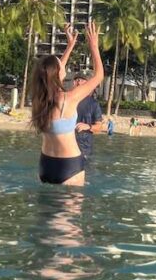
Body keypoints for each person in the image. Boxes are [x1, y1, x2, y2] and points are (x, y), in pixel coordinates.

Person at [29, 22, 104, 186]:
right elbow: (98, 76)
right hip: (69, 166)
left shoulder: (38, 100)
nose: (64, 66)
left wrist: (70, 46)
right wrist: (94, 46)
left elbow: (53, 73)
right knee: (69, 212)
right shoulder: (68, 99)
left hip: (45, 165)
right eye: (60, 64)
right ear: (57, 73)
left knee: (45, 211)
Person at [72, 72, 105, 162]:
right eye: (76, 80)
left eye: (81, 80)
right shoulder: (67, 100)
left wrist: (88, 126)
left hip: (84, 150)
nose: (78, 82)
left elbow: (100, 127)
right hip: (66, 148)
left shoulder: (93, 104)